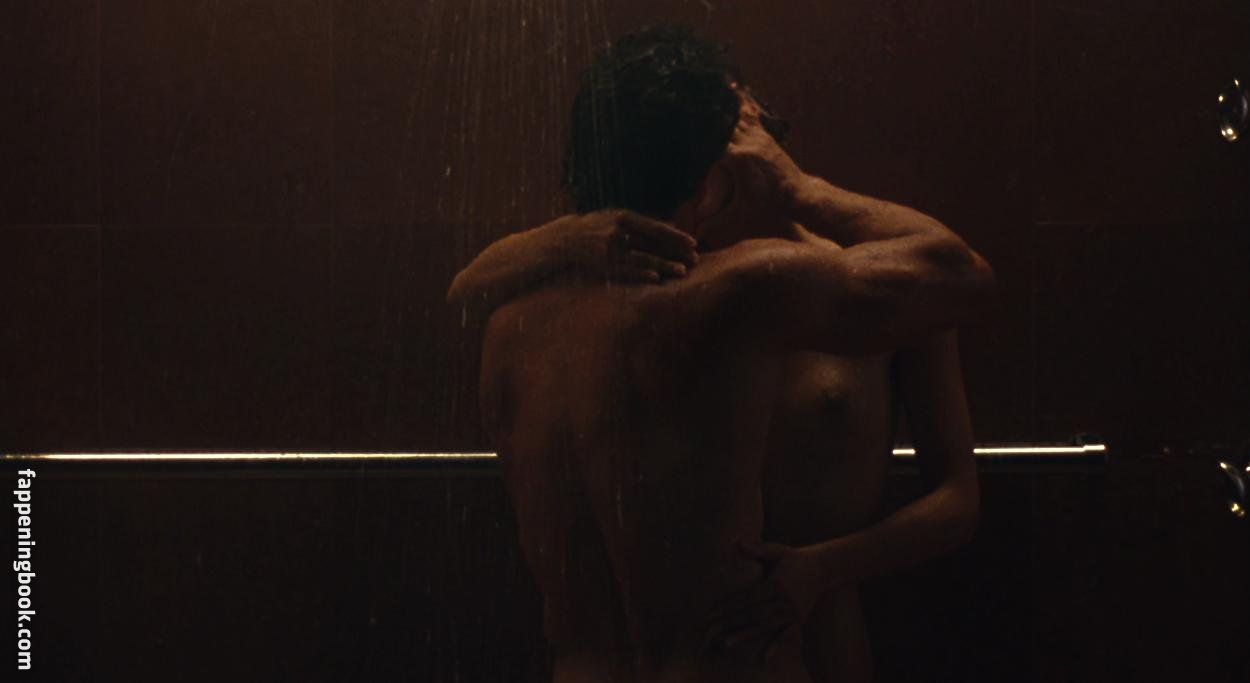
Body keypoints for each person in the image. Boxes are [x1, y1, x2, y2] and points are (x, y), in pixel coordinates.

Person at [449, 26, 993, 682]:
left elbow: (462, 292)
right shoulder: (741, 292)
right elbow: (963, 275)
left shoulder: (509, 324)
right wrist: (801, 188)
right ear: (715, 174)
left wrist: (822, 567)